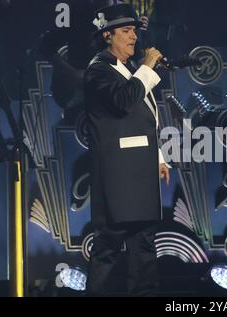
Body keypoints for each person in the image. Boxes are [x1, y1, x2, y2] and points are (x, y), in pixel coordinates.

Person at [84, 2, 170, 296]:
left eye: (134, 30)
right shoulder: (98, 71)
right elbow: (123, 101)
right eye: (125, 31)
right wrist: (146, 68)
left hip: (139, 171)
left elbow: (142, 120)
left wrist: (156, 157)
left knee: (144, 244)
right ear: (108, 35)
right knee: (108, 244)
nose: (133, 36)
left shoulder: (128, 69)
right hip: (117, 176)